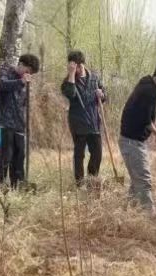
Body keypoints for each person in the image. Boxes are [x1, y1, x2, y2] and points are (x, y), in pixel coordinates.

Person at [118, 63, 156, 211]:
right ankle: (150, 216)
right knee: (144, 180)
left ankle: (127, 211)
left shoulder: (147, 84)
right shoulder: (149, 91)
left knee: (137, 180)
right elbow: (146, 121)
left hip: (131, 140)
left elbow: (146, 113)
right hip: (132, 142)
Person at [0, 54, 40, 189]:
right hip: (1, 124)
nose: (28, 75)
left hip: (18, 126)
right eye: (28, 71)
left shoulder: (25, 83)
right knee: (2, 156)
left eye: (31, 73)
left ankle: (18, 186)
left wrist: (24, 124)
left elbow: (23, 105)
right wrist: (21, 82)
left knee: (19, 157)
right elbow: (3, 85)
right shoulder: (6, 71)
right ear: (21, 65)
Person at [61, 50, 106, 188]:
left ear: (82, 64)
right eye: (73, 67)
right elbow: (70, 94)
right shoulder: (67, 81)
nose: (77, 70)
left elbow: (105, 96)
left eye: (78, 66)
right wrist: (71, 75)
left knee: (97, 154)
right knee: (79, 155)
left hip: (94, 122)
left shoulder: (95, 78)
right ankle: (79, 184)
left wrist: (102, 94)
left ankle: (92, 180)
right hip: (78, 124)